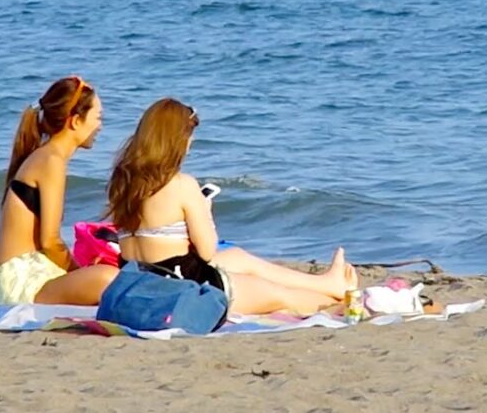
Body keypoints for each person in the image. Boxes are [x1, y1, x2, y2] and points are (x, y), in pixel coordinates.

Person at [106, 97, 356, 316]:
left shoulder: (121, 183)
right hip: (182, 289)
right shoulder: (182, 185)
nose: (189, 145)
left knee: (240, 259)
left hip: (138, 281)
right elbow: (207, 252)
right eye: (188, 137)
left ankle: (327, 284)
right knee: (278, 295)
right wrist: (204, 211)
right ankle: (338, 300)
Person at [0, 76, 118, 305]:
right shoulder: (51, 161)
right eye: (97, 117)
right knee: (108, 278)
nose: (100, 125)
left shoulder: (48, 157)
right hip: (24, 284)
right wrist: (77, 272)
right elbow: (50, 242)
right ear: (75, 121)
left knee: (107, 276)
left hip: (34, 273)